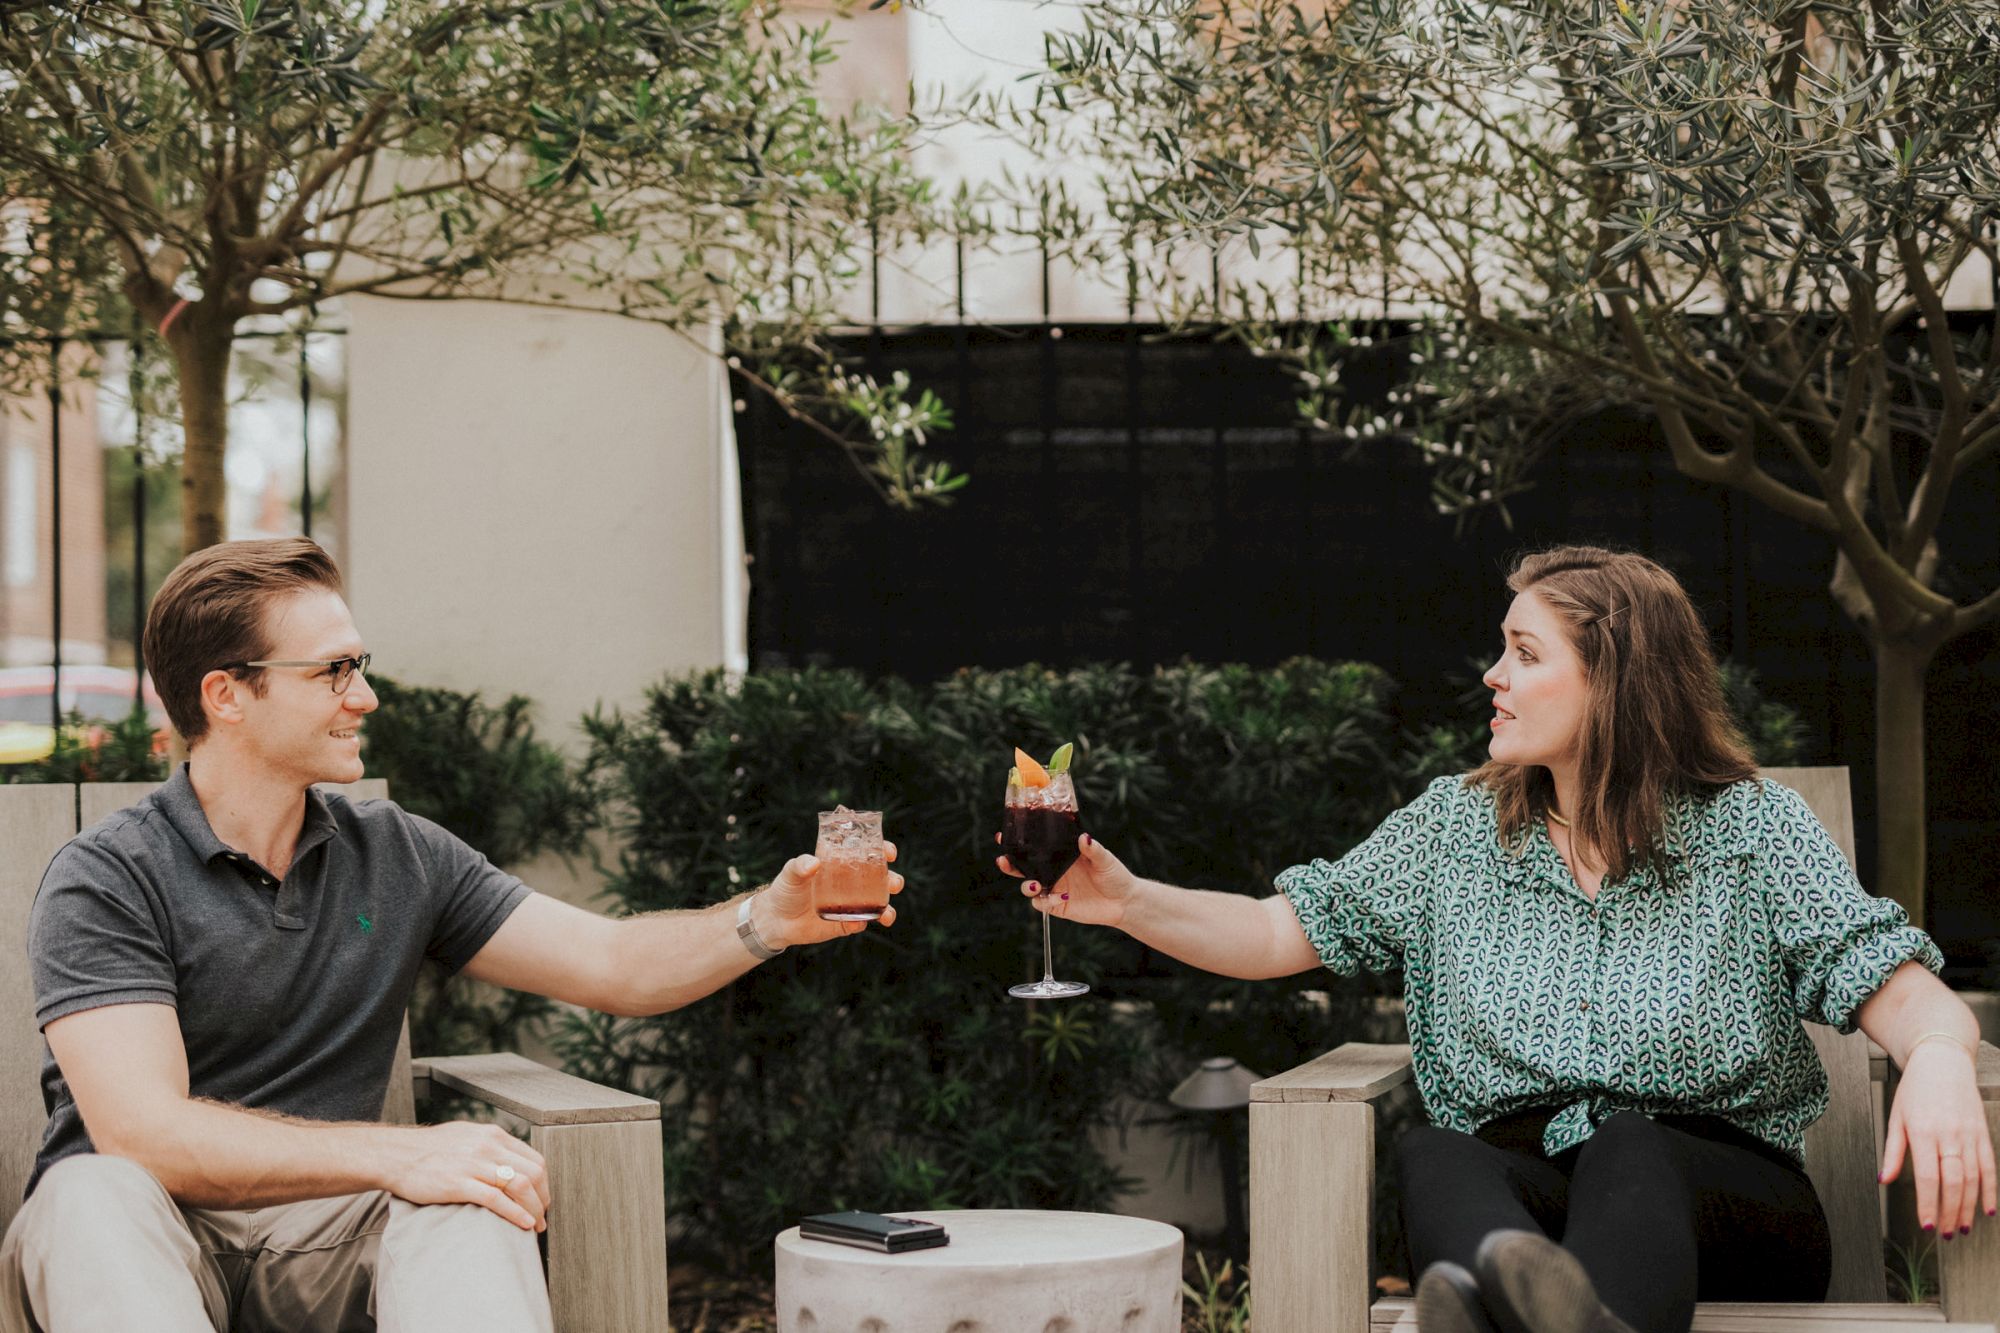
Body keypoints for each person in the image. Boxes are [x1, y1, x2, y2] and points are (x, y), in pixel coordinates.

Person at [1002, 545, 1991, 1333]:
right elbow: (1276, 930)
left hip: (1722, 1206)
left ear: (1615, 680)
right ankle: (1525, 1302)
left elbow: (1894, 985)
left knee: (1629, 1142)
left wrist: (1941, 1058)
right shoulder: (1453, 830)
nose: (1492, 675)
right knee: (1436, 1153)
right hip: (1529, 1197)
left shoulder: (1750, 830)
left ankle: (1504, 1307)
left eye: (1524, 653)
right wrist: (1127, 901)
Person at [0, 537, 901, 1333]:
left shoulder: (396, 854)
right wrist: (406, 1149)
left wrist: (765, 920)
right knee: (90, 1190)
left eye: (360, 665)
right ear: (226, 694)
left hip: (323, 1234)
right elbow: (144, 1134)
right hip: (141, 1236)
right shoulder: (108, 875)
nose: (366, 696)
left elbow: (613, 962)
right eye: (333, 671)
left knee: (471, 1195)